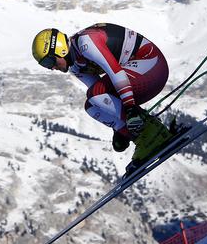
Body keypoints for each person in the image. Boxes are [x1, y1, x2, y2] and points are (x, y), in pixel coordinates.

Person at [31, 24, 176, 172]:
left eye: (49, 62)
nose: (51, 68)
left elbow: (115, 73)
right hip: (139, 76)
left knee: (94, 95)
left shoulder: (85, 43)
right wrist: (120, 129)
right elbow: (104, 97)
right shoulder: (75, 66)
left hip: (152, 66)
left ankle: (152, 133)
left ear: (59, 49)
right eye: (45, 66)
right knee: (91, 106)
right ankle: (144, 137)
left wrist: (131, 110)